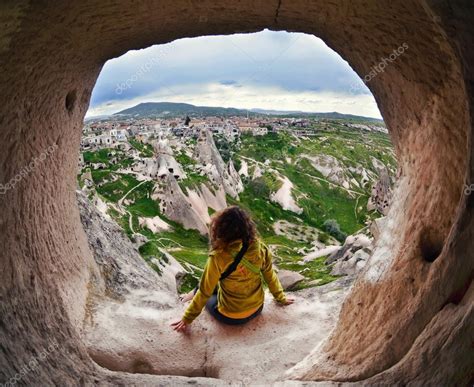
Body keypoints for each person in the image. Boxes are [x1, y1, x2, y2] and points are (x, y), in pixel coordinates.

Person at [171, 206, 294, 332]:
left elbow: (204, 292)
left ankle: (183, 300)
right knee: (213, 285)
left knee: (203, 286)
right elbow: (270, 275)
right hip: (257, 309)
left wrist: (187, 319)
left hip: (229, 317)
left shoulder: (218, 257)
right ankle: (185, 298)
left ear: (221, 229)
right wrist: (281, 298)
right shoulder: (260, 248)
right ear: (247, 227)